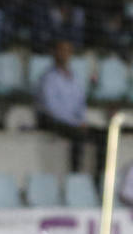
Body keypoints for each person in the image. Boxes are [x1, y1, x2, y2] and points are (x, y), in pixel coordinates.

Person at [34, 40, 105, 178]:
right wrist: (75, 122)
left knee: (103, 136)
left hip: (74, 122)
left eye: (67, 51)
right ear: (54, 53)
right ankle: (75, 175)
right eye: (61, 50)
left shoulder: (75, 77)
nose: (64, 54)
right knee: (78, 135)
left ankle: (100, 178)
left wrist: (81, 120)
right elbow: (52, 108)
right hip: (53, 121)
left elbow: (81, 103)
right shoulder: (48, 78)